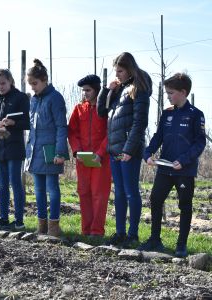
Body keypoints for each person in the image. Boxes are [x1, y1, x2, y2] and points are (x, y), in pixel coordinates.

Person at [138, 73, 206, 257]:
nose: (168, 96)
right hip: (165, 168)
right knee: (155, 200)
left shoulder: (196, 115)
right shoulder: (167, 113)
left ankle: (181, 245)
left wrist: (183, 160)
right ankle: (154, 240)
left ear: (183, 92)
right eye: (167, 92)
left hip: (184, 170)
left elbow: (200, 143)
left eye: (171, 92)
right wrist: (147, 153)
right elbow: (158, 136)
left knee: (185, 205)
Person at [97, 52, 152, 247]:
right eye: (116, 71)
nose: (117, 74)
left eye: (120, 70)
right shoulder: (120, 90)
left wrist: (129, 149)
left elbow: (140, 122)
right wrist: (107, 91)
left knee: (130, 192)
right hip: (115, 149)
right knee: (119, 193)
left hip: (129, 150)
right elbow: (101, 112)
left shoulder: (139, 89)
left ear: (129, 68)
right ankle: (120, 233)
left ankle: (133, 234)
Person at [25, 59, 69, 237]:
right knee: (38, 190)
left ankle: (54, 227)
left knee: (52, 189)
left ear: (44, 80)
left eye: (35, 83)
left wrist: (60, 152)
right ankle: (41, 226)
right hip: (35, 152)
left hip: (50, 152)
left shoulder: (55, 98)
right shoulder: (34, 100)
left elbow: (61, 126)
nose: (33, 87)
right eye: (30, 84)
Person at [0, 69, 30, 230]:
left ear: (10, 81)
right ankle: (3, 219)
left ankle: (19, 221)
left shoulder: (21, 98)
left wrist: (13, 123)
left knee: (15, 183)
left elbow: (28, 122)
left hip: (15, 148)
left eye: (3, 83)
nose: (0, 86)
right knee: (2, 185)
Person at [68, 75, 111, 237]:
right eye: (83, 90)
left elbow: (110, 133)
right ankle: (86, 231)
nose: (85, 93)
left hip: (102, 159)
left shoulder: (106, 109)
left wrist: (100, 153)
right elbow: (72, 132)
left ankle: (97, 232)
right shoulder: (79, 108)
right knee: (84, 192)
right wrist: (77, 151)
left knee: (99, 195)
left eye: (88, 90)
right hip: (83, 159)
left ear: (97, 90)